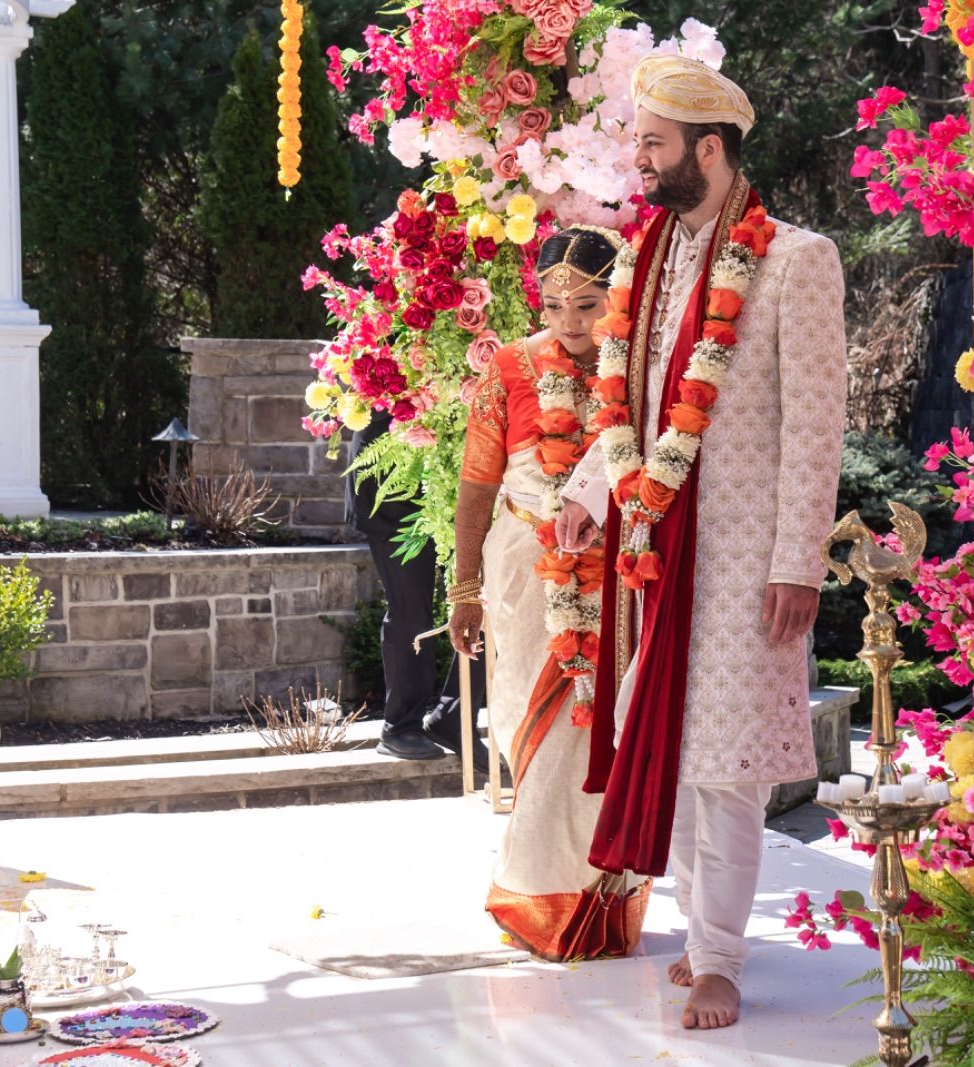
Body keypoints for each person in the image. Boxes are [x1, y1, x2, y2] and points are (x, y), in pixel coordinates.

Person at [556, 55, 847, 1029]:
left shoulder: (795, 260)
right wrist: (589, 491)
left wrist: (797, 561)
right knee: (673, 750)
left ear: (709, 149)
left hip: (741, 554)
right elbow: (632, 403)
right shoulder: (644, 261)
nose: (637, 160)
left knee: (725, 763)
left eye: (653, 143)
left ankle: (719, 958)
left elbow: (814, 425)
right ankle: (700, 934)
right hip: (654, 547)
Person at [449, 227, 650, 961]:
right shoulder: (508, 368)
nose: (570, 321)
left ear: (615, 298)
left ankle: (593, 899)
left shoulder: (639, 369)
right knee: (525, 724)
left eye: (587, 305)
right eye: (555, 305)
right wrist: (464, 587)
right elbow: (477, 484)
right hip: (524, 566)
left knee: (601, 729)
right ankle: (539, 898)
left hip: (617, 571)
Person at [347, 412, 448, 760]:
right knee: (411, 608)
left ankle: (453, 717)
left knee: (480, 598)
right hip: (390, 482)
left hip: (453, 468)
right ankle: (400, 727)